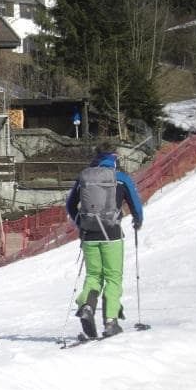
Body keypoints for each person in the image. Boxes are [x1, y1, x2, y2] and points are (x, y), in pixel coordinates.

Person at [65, 141, 144, 339]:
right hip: (112, 235)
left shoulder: (85, 176)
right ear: (114, 156)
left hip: (89, 235)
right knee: (113, 277)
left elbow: (70, 204)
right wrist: (137, 220)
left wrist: (81, 223)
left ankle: (87, 307)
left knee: (93, 275)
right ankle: (111, 322)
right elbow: (135, 203)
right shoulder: (121, 178)